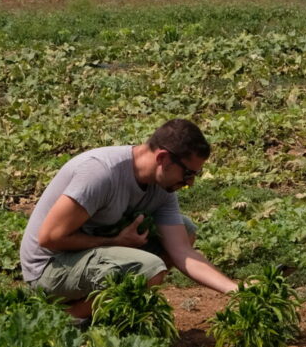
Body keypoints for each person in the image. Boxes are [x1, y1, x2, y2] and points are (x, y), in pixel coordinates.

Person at [20, 118, 239, 319]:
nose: (190, 183)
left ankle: (93, 309)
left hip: (87, 256)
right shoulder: (101, 173)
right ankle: (69, 318)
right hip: (49, 267)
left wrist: (237, 291)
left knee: (186, 230)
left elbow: (182, 252)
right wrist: (115, 242)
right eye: (188, 173)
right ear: (162, 158)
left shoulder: (162, 187)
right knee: (148, 268)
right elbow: (49, 238)